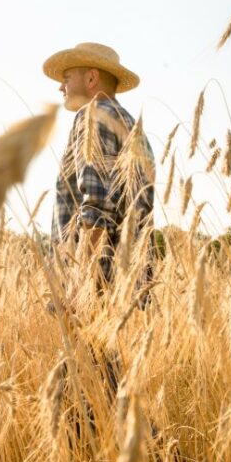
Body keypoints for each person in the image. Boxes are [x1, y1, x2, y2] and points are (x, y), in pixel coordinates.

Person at [43, 42, 156, 304]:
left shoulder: (93, 117)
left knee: (85, 348)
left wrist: (81, 284)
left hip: (95, 285)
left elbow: (95, 204)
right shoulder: (129, 123)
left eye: (67, 78)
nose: (61, 86)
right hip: (127, 284)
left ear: (91, 77)